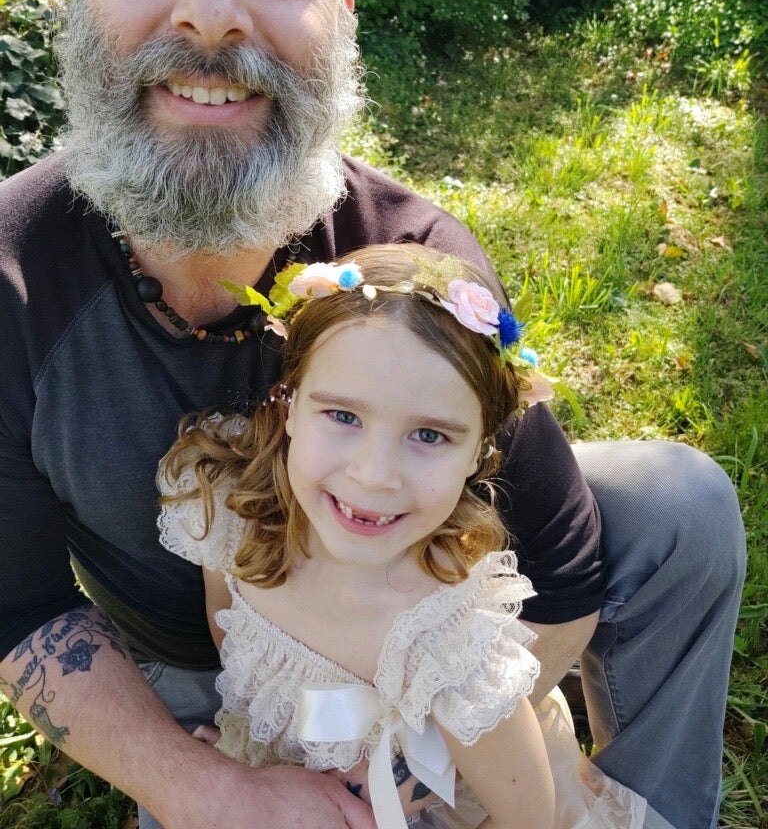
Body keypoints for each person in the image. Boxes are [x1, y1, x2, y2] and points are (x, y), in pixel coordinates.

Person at [0, 0, 744, 827]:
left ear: (340, 12)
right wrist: (211, 786)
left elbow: (564, 567)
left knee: (679, 508)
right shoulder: (12, 277)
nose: (210, 12)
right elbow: (18, 602)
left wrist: (425, 742)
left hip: (419, 634)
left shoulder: (422, 265)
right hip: (190, 679)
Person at [157, 243, 667, 829]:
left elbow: (528, 818)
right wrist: (239, 762)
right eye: (343, 417)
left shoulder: (448, 643)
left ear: (478, 456)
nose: (374, 475)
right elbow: (231, 646)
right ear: (290, 404)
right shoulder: (230, 515)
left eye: (428, 435)